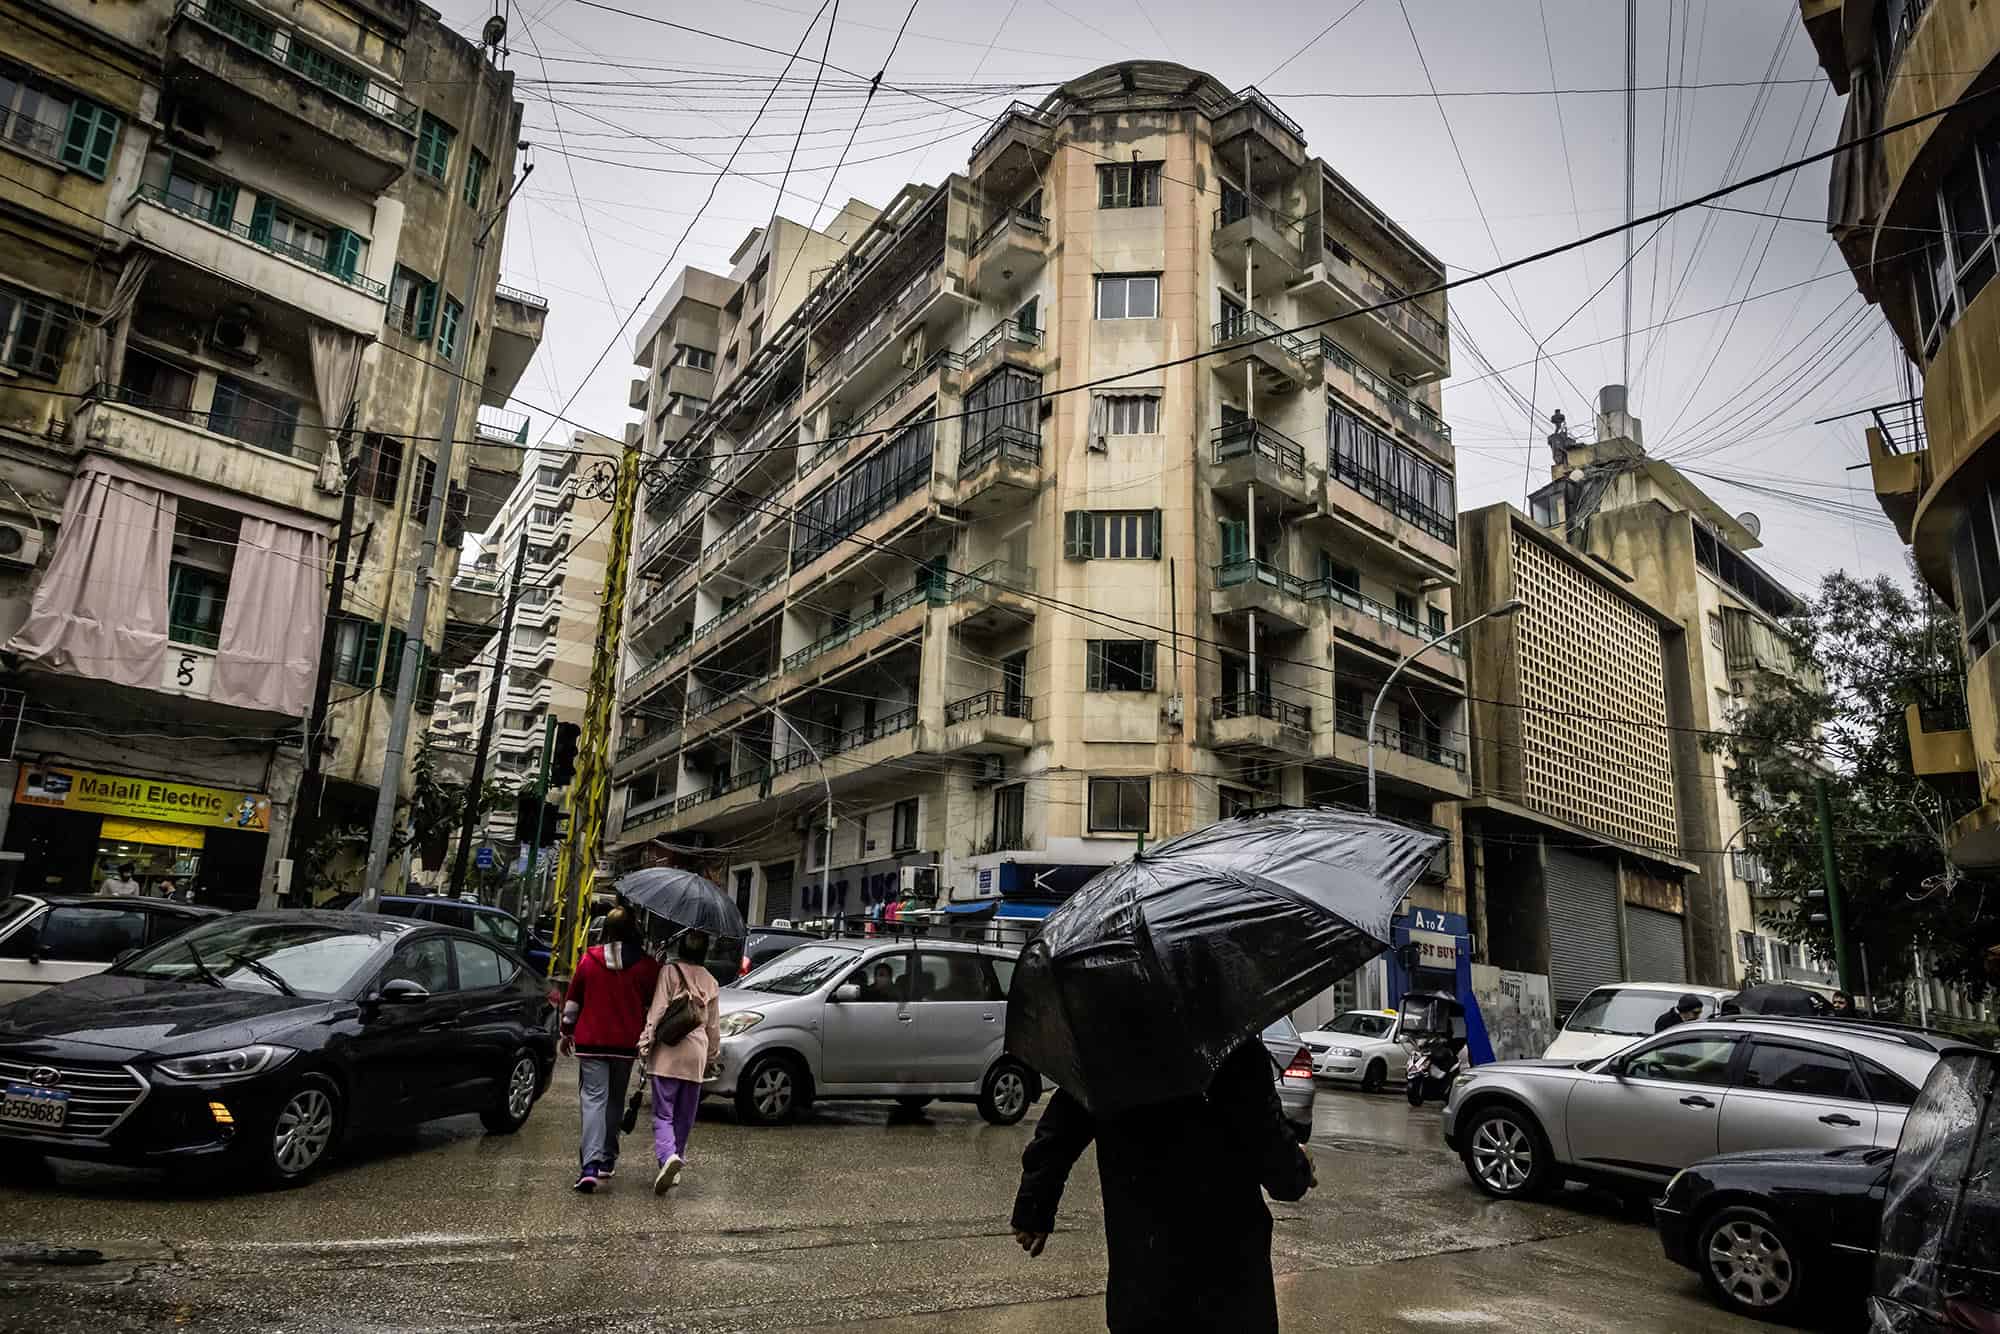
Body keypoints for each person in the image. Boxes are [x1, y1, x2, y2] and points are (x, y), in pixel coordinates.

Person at [1011, 1038, 1317, 1333]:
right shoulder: (1235, 1050)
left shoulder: (1107, 1049)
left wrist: (1034, 1208)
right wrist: (1300, 1164)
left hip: (1144, 1281)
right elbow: (1283, 1177)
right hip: (1231, 1286)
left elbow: (1059, 1132)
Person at [560, 906, 661, 1193]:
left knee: (593, 1100)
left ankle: (590, 1166)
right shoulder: (646, 966)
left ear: (606, 930)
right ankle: (606, 1159)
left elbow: (573, 1001)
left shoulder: (588, 960)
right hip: (625, 1045)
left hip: (591, 1042)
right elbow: (653, 1002)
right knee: (614, 1101)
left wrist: (567, 1032)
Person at [637, 927, 721, 1196]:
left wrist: (646, 1041)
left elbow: (658, 1010)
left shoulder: (669, 972)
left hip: (668, 1052)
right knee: (684, 1116)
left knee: (664, 1113)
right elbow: (713, 1026)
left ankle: (667, 1157)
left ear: (682, 946)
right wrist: (712, 1056)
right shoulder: (711, 981)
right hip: (696, 1054)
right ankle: (676, 1163)